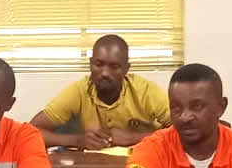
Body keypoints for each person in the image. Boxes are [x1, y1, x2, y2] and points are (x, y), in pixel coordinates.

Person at [27, 34, 170, 149]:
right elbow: (31, 133)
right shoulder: (79, 91)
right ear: (90, 64)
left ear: (126, 69)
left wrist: (134, 138)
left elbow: (180, 131)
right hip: (95, 167)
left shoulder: (145, 91)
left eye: (114, 66)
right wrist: (77, 140)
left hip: (144, 164)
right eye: (99, 64)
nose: (105, 73)